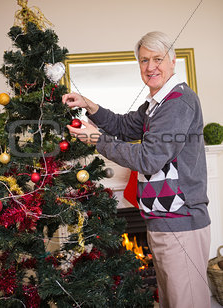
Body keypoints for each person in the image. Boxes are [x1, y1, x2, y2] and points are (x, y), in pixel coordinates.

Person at [62, 31, 211, 308]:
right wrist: (90, 105)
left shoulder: (177, 102)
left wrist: (96, 140)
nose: (150, 67)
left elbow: (149, 159)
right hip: (162, 220)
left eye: (158, 59)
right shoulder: (157, 104)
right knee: (172, 301)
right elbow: (123, 126)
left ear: (173, 61)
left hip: (181, 220)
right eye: (144, 60)